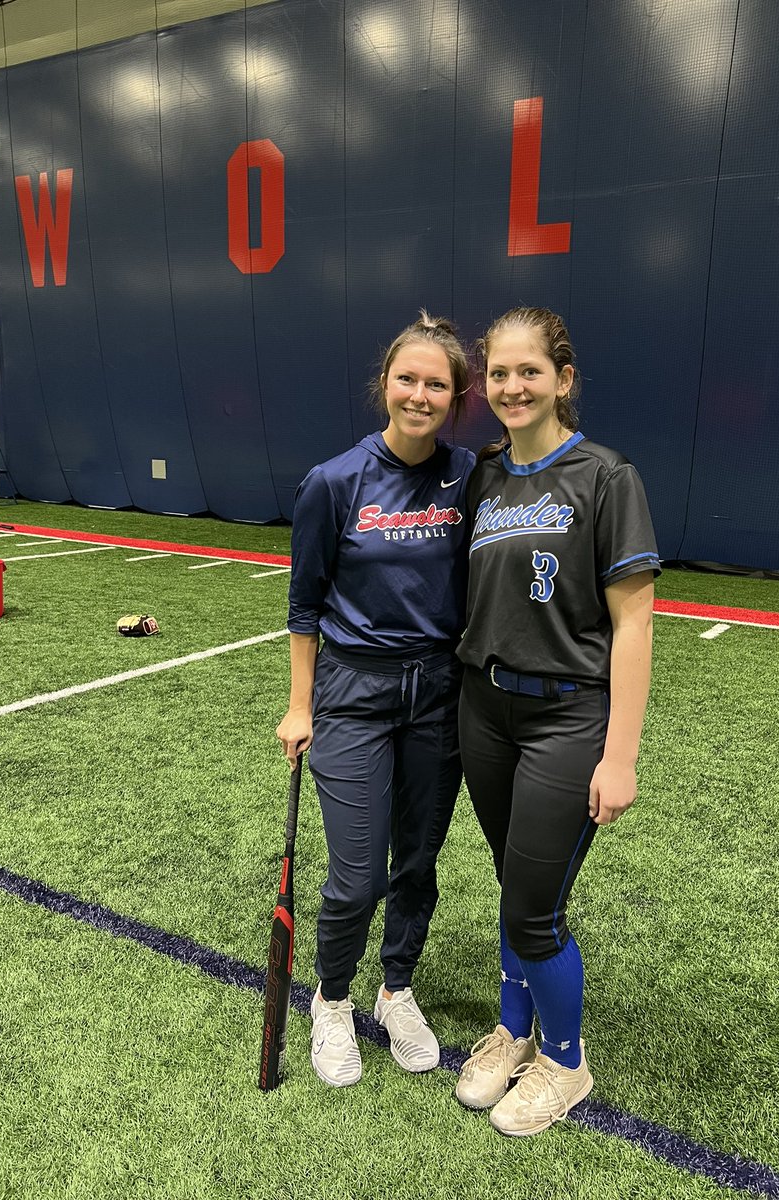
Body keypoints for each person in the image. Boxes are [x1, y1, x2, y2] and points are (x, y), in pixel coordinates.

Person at [453, 307, 659, 1136]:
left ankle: (566, 1063)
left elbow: (636, 624)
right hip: (484, 709)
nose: (511, 386)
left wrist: (621, 756)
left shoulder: (607, 477)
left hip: (568, 720)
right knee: (514, 888)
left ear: (563, 380)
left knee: (535, 907)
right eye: (498, 373)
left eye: (529, 371)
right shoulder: (487, 478)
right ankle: (514, 1030)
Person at [276, 312, 474, 1088]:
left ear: (456, 396)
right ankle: (331, 1000)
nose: (419, 394)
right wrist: (301, 706)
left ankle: (396, 990)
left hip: (439, 695)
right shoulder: (334, 482)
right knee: (356, 877)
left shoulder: (469, 474)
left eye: (436, 384)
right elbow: (303, 607)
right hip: (353, 693)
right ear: (383, 385)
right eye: (407, 378)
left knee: (417, 863)